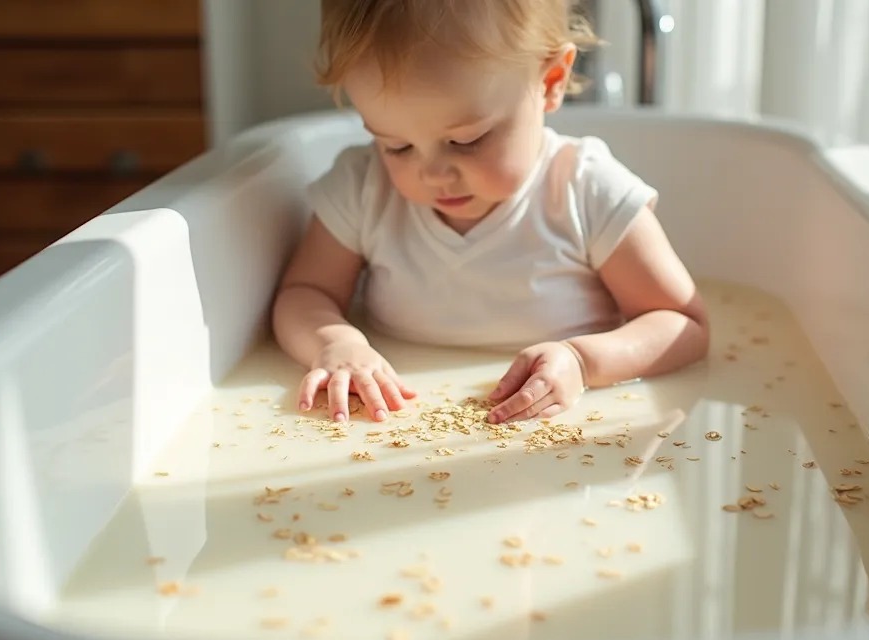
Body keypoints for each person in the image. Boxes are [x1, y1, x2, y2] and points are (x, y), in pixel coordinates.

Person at [271, 0, 709, 426]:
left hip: (561, 436)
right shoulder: (364, 186)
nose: (434, 173)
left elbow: (683, 325)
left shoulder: (585, 191)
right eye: (396, 146)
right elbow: (304, 294)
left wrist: (583, 361)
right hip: (404, 428)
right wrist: (336, 343)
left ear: (551, 80)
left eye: (466, 141)